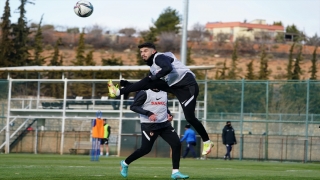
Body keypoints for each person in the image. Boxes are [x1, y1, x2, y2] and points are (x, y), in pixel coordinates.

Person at [108, 42, 214, 156]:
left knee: (190, 117)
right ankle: (118, 92)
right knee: (149, 81)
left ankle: (207, 142)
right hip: (176, 88)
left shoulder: (159, 57)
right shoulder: (153, 67)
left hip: (188, 87)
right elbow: (145, 85)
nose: (142, 54)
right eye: (141, 52)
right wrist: (130, 85)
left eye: (145, 51)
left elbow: (167, 68)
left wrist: (154, 77)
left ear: (153, 51)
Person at [119, 88, 189, 180]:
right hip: (149, 126)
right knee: (145, 149)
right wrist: (148, 113)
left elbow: (164, 107)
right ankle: (125, 163)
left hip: (164, 125)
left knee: (176, 144)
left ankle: (175, 172)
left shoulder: (164, 92)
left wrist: (169, 114)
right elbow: (133, 107)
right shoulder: (144, 93)